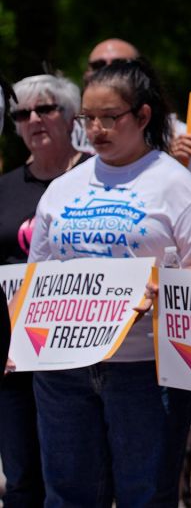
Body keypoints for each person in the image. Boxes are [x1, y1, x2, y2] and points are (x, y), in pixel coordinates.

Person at [26, 60, 191, 508]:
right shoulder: (65, 188)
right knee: (68, 496)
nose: (96, 130)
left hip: (145, 369)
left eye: (110, 118)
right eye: (88, 119)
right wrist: (19, 343)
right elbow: (37, 275)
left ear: (143, 116)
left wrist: (173, 290)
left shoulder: (176, 186)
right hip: (62, 368)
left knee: (144, 496)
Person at [0, 74, 84, 508]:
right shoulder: (3, 189)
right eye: (21, 113)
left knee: (79, 479)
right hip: (15, 354)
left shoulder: (98, 177)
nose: (33, 119)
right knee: (22, 477)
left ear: (71, 118)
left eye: (45, 109)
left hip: (84, 350)